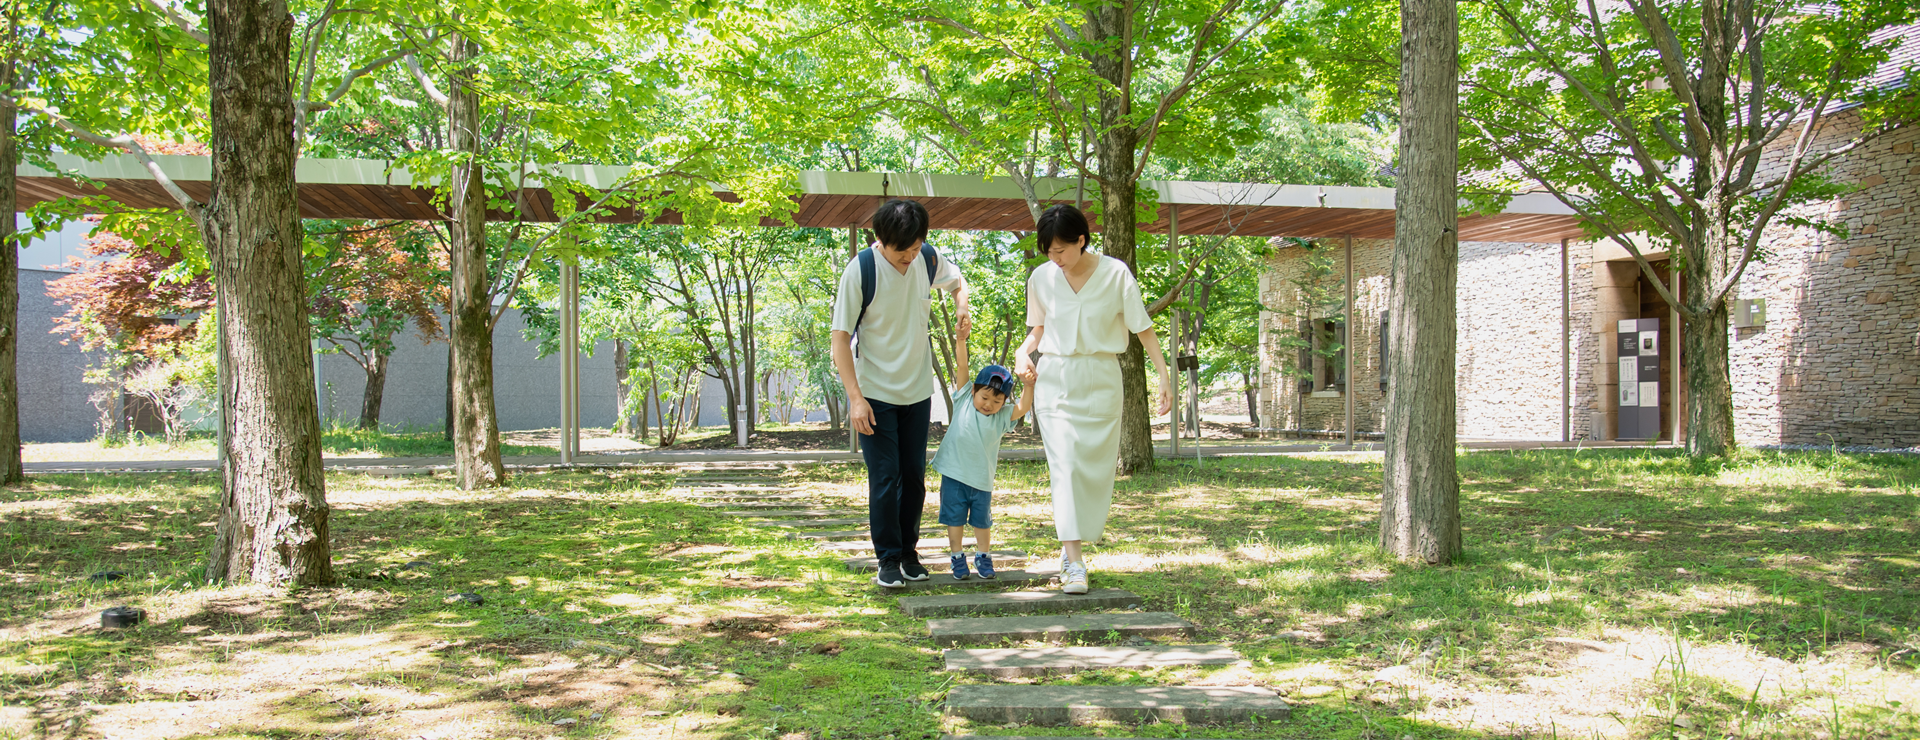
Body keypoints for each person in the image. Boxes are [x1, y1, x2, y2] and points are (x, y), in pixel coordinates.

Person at [1014, 204, 1172, 595]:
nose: (1055, 259)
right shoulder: (1042, 278)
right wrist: (1022, 352)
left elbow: (1144, 329)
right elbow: (1038, 328)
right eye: (1049, 251)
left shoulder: (1115, 273)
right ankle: (1074, 558)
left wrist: (1164, 376)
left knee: (1094, 471)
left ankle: (1076, 546)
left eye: (1061, 251)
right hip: (1056, 378)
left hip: (1102, 378)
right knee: (1064, 465)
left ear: (1081, 241)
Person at [831, 199, 970, 589]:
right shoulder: (861, 270)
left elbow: (957, 281)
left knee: (914, 477)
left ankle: (909, 553)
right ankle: (888, 559)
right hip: (874, 393)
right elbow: (840, 339)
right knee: (885, 477)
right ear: (881, 240)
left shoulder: (925, 258)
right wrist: (855, 398)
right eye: (902, 252)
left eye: (914, 249)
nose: (909, 258)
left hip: (917, 389)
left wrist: (963, 306)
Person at [928, 328, 1034, 580]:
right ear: (974, 390)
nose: (989, 404)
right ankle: (957, 557)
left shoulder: (1001, 417)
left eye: (997, 401)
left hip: (982, 481)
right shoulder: (964, 398)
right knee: (954, 519)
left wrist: (1029, 384)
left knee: (982, 521)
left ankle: (983, 556)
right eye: (985, 397)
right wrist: (961, 340)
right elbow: (962, 364)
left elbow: (1024, 407)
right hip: (954, 476)